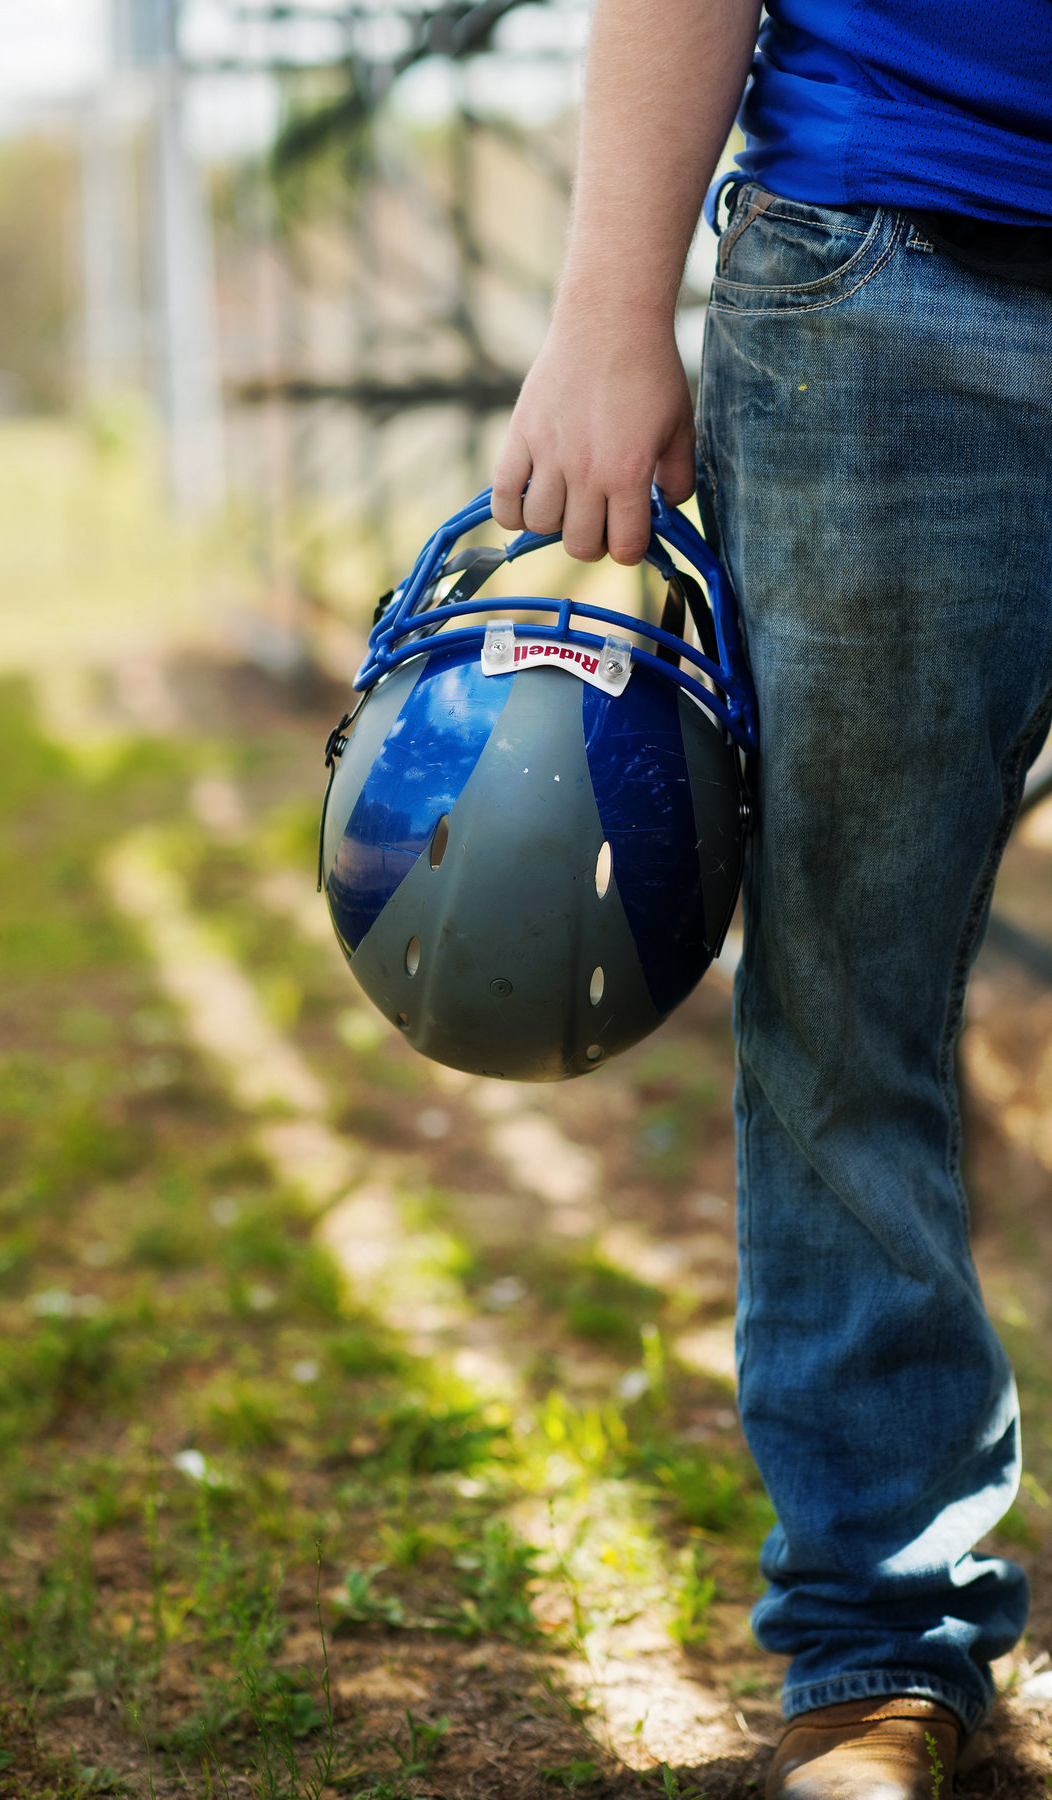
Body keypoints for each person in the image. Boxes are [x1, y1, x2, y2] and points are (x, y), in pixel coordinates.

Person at [491, 2, 1052, 1794]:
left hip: (894, 259)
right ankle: (882, 1649)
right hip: (894, 267)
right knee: (841, 999)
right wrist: (606, 307)